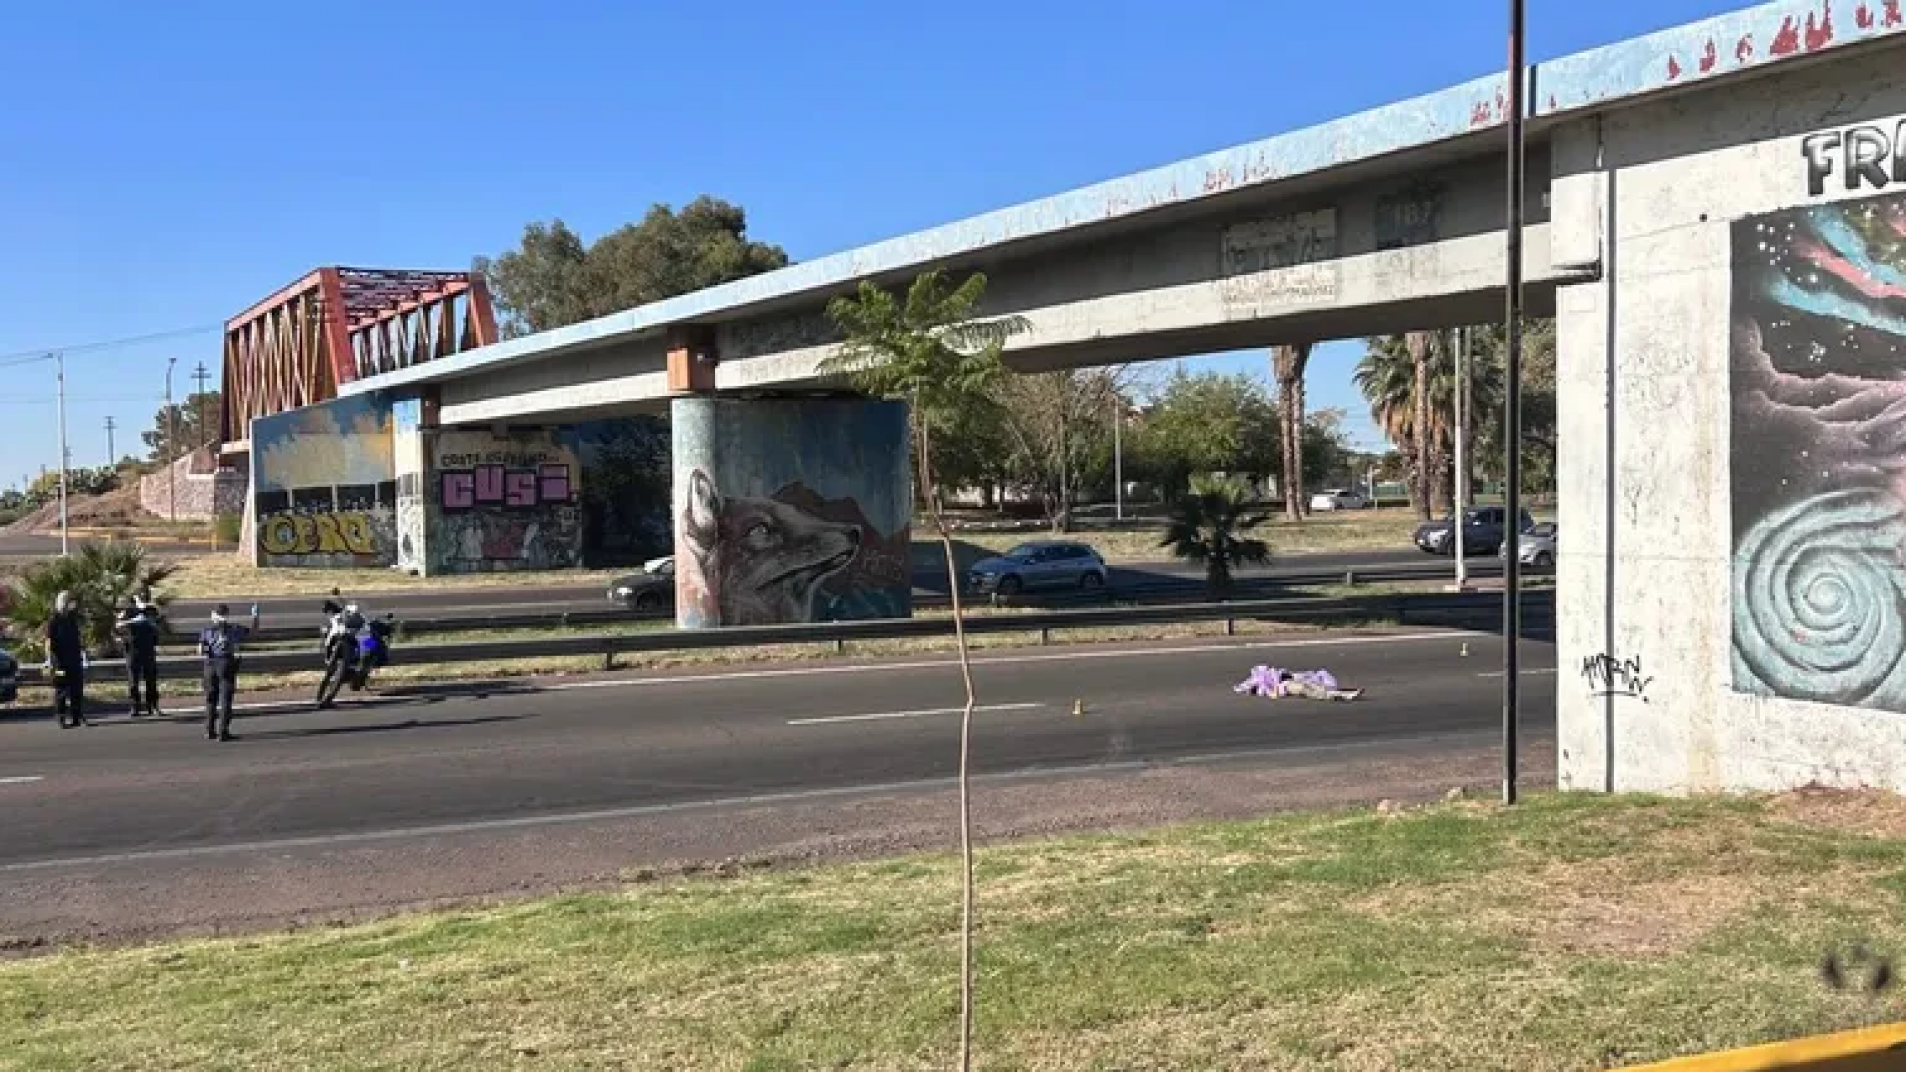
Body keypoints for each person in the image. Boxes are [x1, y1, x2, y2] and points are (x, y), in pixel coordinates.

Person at [198, 603, 260, 742]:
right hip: (226, 662)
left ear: (214, 615)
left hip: (210, 664)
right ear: (226, 614)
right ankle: (223, 731)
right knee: (225, 699)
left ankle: (209, 730)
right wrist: (255, 616)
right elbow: (254, 631)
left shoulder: (206, 630)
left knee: (210, 698)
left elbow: (200, 650)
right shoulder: (234, 628)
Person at [44, 590, 89, 729]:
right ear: (60, 603)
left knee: (77, 689)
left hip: (74, 661)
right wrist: (50, 660)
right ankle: (61, 717)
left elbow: (78, 639)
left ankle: (77, 717)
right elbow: (49, 642)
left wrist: (83, 656)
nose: (67, 604)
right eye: (65, 601)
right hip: (59, 663)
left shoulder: (72, 619)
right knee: (61, 690)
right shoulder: (54, 621)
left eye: (69, 601)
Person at [113, 595, 163, 718]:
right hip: (132, 651)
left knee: (151, 680)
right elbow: (117, 628)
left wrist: (145, 611)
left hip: (148, 650)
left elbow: (155, 624)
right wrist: (128, 626)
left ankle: (153, 705)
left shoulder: (149, 611)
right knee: (133, 681)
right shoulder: (125, 614)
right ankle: (135, 707)